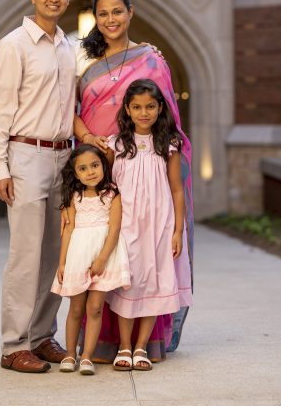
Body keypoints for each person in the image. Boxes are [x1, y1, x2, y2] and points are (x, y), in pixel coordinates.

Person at [68, 0, 194, 362]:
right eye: (103, 13)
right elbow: (68, 114)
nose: (111, 19)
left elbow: (167, 121)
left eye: (117, 12)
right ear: (96, 18)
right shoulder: (85, 65)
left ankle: (139, 344)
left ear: (131, 13)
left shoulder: (152, 61)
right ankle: (99, 343)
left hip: (144, 173)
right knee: (102, 249)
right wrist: (90, 137)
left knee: (142, 256)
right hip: (101, 172)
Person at [0, 0, 76, 373]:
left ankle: (40, 336)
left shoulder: (67, 46)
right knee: (25, 255)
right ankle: (13, 344)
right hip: (25, 156)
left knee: (57, 253)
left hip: (64, 157)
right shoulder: (13, 45)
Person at [105, 79, 192, 371]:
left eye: (150, 106)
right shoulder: (116, 145)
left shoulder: (168, 144)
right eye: (138, 107)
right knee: (127, 282)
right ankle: (125, 346)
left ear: (160, 108)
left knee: (153, 281)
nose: (144, 112)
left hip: (159, 224)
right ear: (128, 110)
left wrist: (178, 230)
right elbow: (107, 187)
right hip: (126, 224)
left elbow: (177, 189)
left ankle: (141, 347)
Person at [51, 145, 130, 375]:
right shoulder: (74, 197)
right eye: (83, 168)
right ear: (75, 174)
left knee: (95, 307)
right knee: (76, 308)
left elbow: (114, 230)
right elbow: (68, 230)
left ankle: (86, 356)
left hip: (103, 256)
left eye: (95, 165)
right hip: (78, 254)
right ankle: (69, 354)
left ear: (103, 166)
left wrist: (102, 259)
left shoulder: (112, 194)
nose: (90, 172)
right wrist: (63, 262)